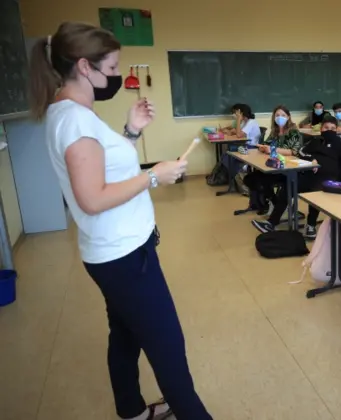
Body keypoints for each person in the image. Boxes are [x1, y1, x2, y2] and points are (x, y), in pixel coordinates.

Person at [29, 22, 212, 420]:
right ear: (84, 66)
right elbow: (92, 198)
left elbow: (101, 169)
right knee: (167, 347)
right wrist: (152, 176)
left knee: (126, 335)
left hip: (117, 252)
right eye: (111, 69)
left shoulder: (73, 113)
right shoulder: (75, 121)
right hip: (124, 258)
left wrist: (130, 131)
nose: (115, 77)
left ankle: (130, 409)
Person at [251, 117, 341, 238]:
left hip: (329, 180)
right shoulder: (316, 140)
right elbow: (301, 151)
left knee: (316, 191)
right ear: (321, 128)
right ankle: (271, 223)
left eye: (332, 128)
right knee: (289, 186)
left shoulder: (340, 142)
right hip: (309, 174)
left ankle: (311, 225)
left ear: (337, 129)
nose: (329, 130)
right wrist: (311, 159)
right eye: (326, 128)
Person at [243, 105, 304, 214]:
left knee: (260, 181)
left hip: (287, 168)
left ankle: (275, 204)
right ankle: (274, 201)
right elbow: (266, 144)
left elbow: (293, 151)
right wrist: (263, 147)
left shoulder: (294, 132)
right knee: (249, 179)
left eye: (283, 115)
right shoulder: (274, 131)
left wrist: (272, 149)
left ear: (288, 117)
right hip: (272, 165)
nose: (280, 117)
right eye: (277, 115)